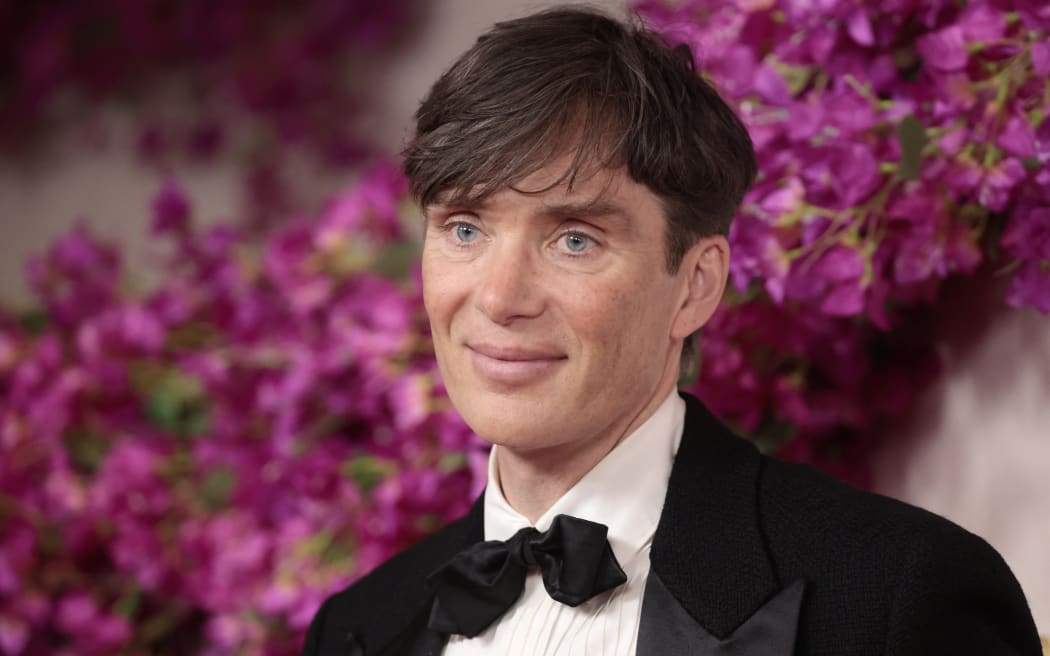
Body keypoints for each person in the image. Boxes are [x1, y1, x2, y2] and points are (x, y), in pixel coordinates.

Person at [302, 7, 1041, 655]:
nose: (499, 298)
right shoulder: (355, 627)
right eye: (464, 228)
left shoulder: (899, 596)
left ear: (695, 285)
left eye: (576, 240)